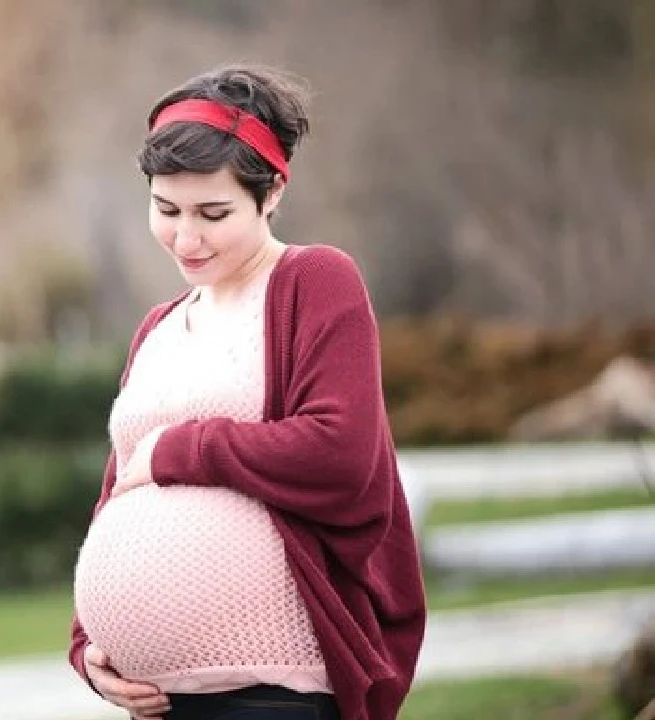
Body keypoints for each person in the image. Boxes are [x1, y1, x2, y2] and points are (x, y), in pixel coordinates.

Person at [67, 65, 427, 720]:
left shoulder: (314, 282)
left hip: (271, 696)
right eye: (166, 209)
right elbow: (116, 498)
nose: (185, 237)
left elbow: (341, 454)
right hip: (162, 704)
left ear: (271, 194)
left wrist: (183, 448)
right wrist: (91, 648)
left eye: (213, 213)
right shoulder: (157, 327)